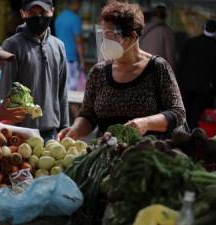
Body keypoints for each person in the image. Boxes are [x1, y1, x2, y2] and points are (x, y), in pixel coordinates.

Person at [58, 0, 185, 140]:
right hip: (104, 154)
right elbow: (88, 116)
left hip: (147, 153)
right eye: (103, 35)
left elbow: (178, 113)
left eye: (111, 35)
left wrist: (146, 123)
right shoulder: (98, 72)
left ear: (132, 37)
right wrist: (76, 130)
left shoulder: (158, 68)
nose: (105, 41)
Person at [0, 0, 69, 141]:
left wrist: (64, 126)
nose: (38, 17)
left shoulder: (58, 46)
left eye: (43, 12)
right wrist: (7, 128)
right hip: (19, 133)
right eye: (32, 13)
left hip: (51, 133)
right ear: (23, 13)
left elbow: (62, 89)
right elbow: (5, 90)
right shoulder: (12, 46)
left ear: (52, 12)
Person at [178, 20, 216, 129]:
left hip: (186, 84)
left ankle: (179, 136)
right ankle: (192, 138)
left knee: (183, 112)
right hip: (203, 87)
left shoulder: (191, 42)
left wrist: (178, 81)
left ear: (204, 27)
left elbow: (181, 63)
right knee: (195, 115)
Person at [54, 0, 84, 91]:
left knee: (61, 89)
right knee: (72, 91)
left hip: (59, 58)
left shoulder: (59, 18)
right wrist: (82, 61)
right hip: (71, 60)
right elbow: (79, 41)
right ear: (77, 3)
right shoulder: (75, 18)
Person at [139, 4, 175, 69]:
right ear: (165, 16)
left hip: (143, 66)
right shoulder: (166, 31)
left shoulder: (144, 28)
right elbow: (170, 55)